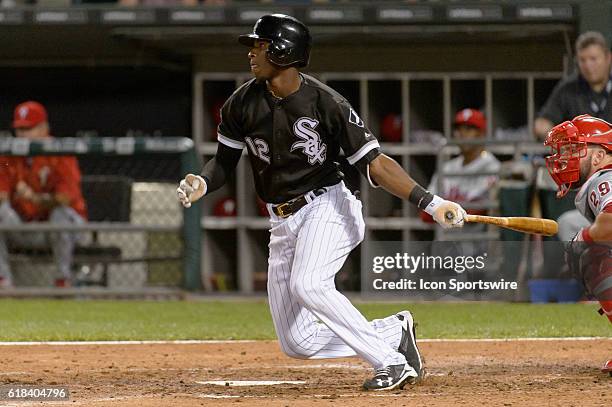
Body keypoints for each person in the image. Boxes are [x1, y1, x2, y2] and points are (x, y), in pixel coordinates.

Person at [177, 14, 467, 391]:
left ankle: (391, 362)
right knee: (298, 343)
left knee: (310, 284)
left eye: (260, 45)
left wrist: (430, 202)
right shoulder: (241, 104)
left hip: (327, 206)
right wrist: (203, 180)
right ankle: (392, 332)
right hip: (281, 221)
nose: (252, 52)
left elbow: (375, 163)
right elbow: (224, 162)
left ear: (284, 51)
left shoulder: (326, 102)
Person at [543, 114, 612, 375]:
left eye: (574, 150)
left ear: (598, 157)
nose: (564, 158)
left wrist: (584, 239)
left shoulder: (604, 179)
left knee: (592, 252)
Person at [0, 101, 87, 288]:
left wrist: (34, 198)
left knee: (60, 214)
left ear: (44, 128)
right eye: (19, 129)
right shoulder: (8, 157)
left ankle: (62, 279)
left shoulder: (60, 152)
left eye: (29, 129)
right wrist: (7, 196)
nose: (23, 135)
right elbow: (2, 194)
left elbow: (65, 199)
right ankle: (3, 282)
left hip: (62, 228)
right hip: (26, 227)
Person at [422, 108, 500, 224]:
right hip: (444, 239)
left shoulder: (491, 167)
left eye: (469, 129)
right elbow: (425, 213)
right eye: (458, 129)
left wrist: (441, 209)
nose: (462, 134)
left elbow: (473, 214)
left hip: (474, 239)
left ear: (481, 133)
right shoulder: (447, 168)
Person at [535, 31, 612, 140]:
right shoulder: (567, 88)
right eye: (582, 60)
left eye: (593, 59)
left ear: (608, 58)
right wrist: (556, 136)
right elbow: (542, 123)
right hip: (579, 152)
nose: (588, 66)